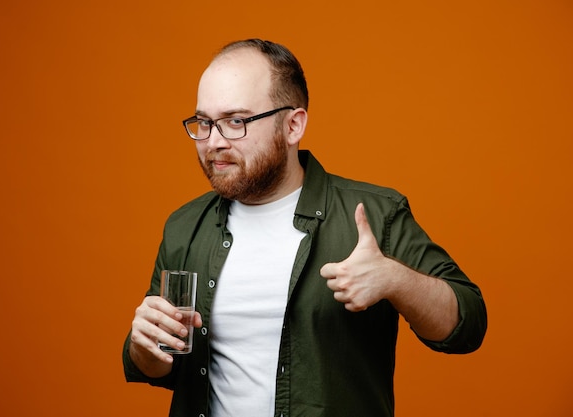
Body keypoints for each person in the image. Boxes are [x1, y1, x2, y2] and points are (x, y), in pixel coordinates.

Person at [122, 38, 487, 417]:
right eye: (204, 123)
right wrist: (144, 345)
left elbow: (468, 324)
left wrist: (396, 279)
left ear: (293, 125)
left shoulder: (375, 214)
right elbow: (159, 367)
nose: (213, 142)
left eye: (235, 121)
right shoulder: (184, 227)